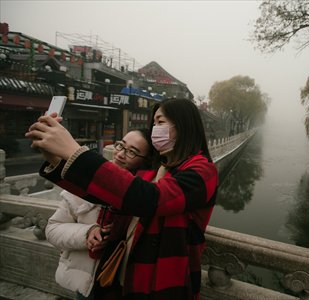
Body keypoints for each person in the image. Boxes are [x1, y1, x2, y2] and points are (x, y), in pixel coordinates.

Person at [27, 98, 218, 299]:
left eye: (160, 122)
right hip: (127, 278)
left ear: (183, 125)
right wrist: (56, 159)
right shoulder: (159, 168)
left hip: (165, 281)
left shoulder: (202, 170)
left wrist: (74, 151)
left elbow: (151, 199)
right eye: (154, 123)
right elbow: (107, 195)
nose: (155, 129)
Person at [45, 128, 156, 300]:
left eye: (132, 152)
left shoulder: (144, 195)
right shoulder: (86, 180)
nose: (120, 154)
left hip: (122, 284)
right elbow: (52, 229)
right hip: (86, 284)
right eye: (121, 146)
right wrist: (87, 233)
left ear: (146, 161)